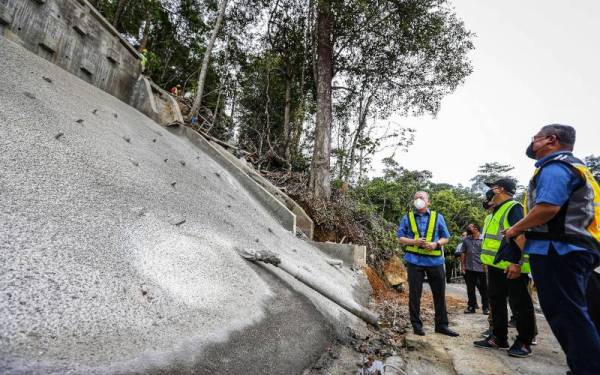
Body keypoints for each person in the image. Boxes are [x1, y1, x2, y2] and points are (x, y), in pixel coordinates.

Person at [504, 124, 600, 374]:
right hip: (579, 248)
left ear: (551, 140)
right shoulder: (579, 168)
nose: (532, 142)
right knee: (581, 313)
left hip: (560, 250)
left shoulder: (556, 167)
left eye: (535, 138)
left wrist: (515, 229)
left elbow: (547, 208)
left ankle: (586, 368)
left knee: (567, 316)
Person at [473, 178, 536, 358]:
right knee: (496, 302)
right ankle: (499, 337)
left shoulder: (513, 208)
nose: (490, 192)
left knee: (520, 305)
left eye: (492, 188)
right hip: (495, 267)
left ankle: (524, 342)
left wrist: (520, 264)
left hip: (512, 267)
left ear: (499, 189)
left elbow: (522, 237)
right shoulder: (495, 212)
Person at [397, 191, 459, 337]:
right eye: (416, 197)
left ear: (428, 202)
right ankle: (416, 326)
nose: (418, 200)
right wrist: (414, 242)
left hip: (435, 262)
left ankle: (442, 326)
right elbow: (400, 237)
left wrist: (436, 244)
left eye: (421, 197)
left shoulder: (438, 217)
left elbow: (446, 237)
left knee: (439, 294)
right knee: (414, 295)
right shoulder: (408, 217)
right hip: (414, 261)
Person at [461, 223, 489, 315]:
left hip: (482, 268)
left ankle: (486, 307)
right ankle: (471, 306)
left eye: (470, 226)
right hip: (469, 268)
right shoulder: (466, 240)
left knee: (483, 289)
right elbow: (463, 253)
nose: (468, 228)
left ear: (476, 228)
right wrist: (463, 266)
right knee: (470, 289)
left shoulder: (484, 239)